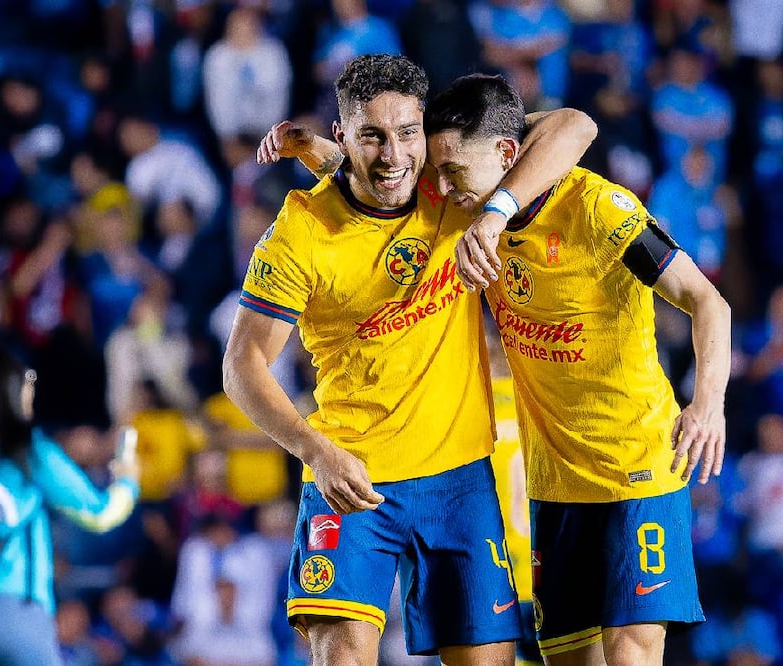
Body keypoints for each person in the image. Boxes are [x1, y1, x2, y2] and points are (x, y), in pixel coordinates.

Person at [227, 54, 595, 665]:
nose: (394, 155)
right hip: (351, 473)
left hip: (458, 477)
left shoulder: (448, 182)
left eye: (406, 133)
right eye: (372, 135)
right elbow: (241, 368)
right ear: (345, 136)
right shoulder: (301, 234)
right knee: (343, 653)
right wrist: (315, 449)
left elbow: (576, 126)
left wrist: (497, 214)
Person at [422, 74, 731, 664]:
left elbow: (706, 300)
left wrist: (708, 402)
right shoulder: (466, 207)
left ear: (507, 155)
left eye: (454, 172)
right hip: (555, 482)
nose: (442, 188)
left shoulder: (598, 209)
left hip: (636, 466)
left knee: (633, 653)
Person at [0, 339, 138, 665]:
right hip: (12, 613)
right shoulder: (28, 449)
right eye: (27, 380)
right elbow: (100, 514)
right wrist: (128, 479)